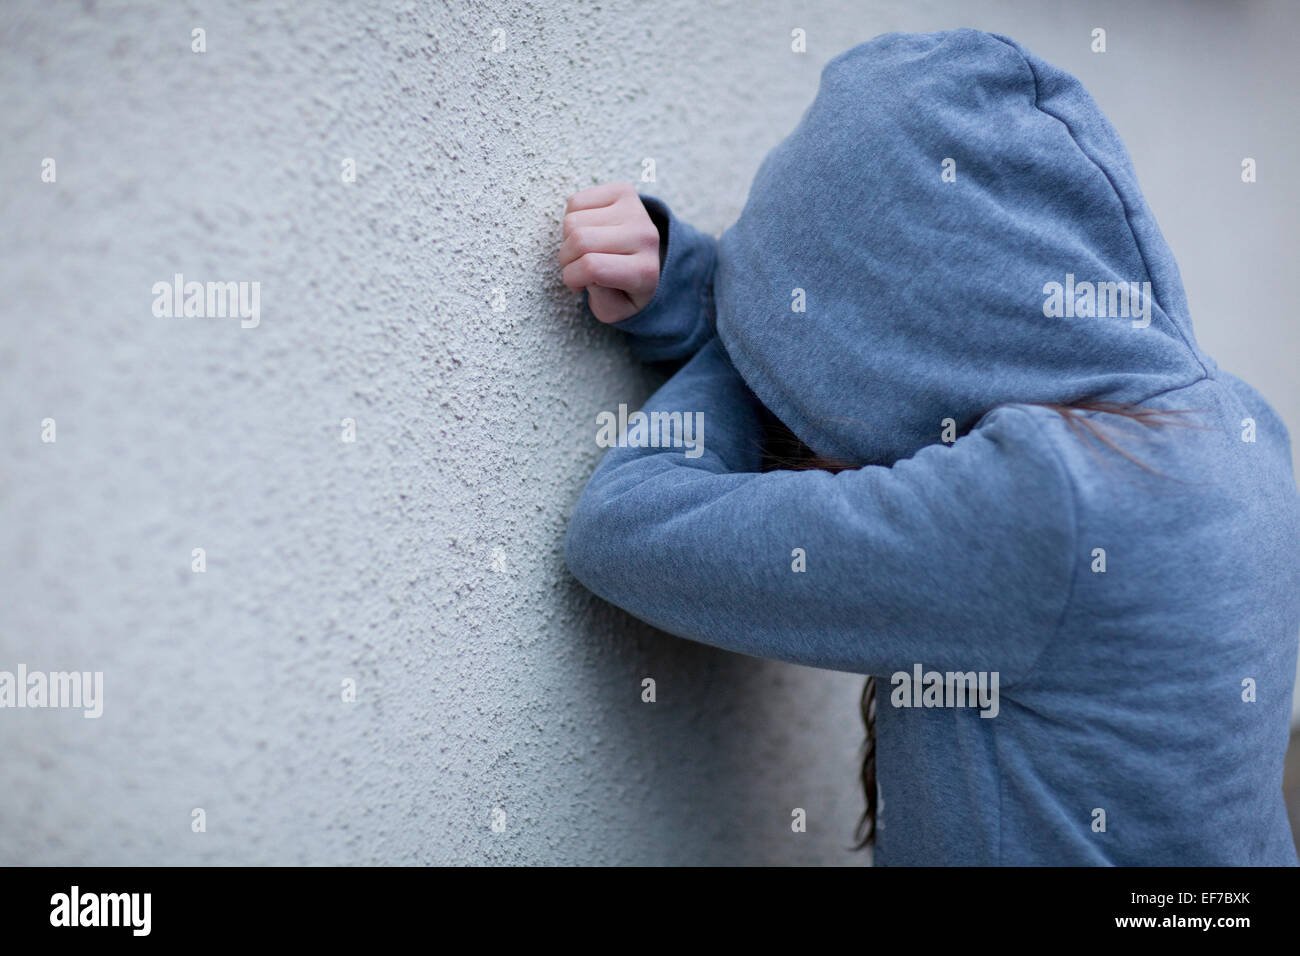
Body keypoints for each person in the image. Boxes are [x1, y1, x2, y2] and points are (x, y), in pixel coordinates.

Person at [557, 29, 1300, 865]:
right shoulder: (1240, 430)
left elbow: (626, 524)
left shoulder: (1043, 502)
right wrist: (762, 318)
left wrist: (732, 318)